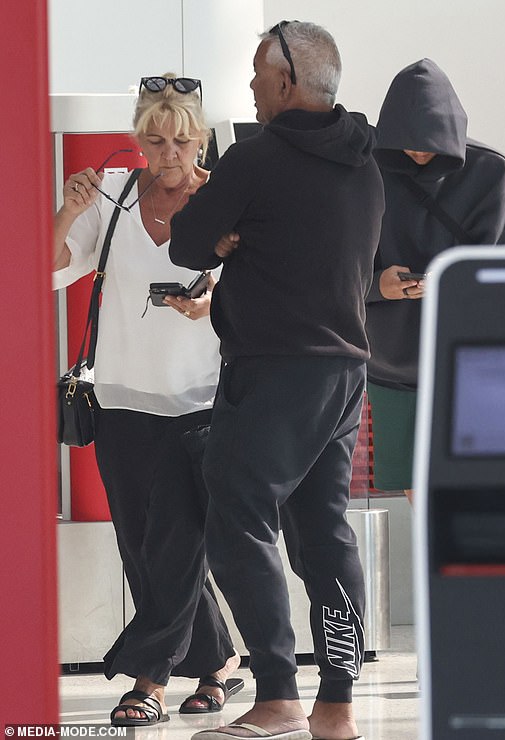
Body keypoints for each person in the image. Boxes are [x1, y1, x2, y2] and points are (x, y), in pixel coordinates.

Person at [169, 21, 384, 740]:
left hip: (271, 373)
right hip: (346, 375)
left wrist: (230, 236)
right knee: (324, 534)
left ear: (287, 82)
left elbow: (190, 241)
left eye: (259, 77)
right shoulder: (366, 161)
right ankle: (337, 703)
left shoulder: (255, 160)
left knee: (238, 521)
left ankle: (277, 693)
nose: (254, 89)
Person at [52, 74, 244, 726]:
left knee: (179, 544)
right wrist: (68, 212)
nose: (169, 153)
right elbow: (45, 269)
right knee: (142, 546)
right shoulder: (111, 197)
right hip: (122, 402)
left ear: (203, 139)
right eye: (155, 139)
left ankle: (148, 681)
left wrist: (211, 303)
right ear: (139, 139)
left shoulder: (228, 202)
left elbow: (257, 289)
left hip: (205, 403)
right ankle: (218, 664)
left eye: (183, 140)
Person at [366, 59, 505, 502]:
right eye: (405, 143)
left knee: (474, 491)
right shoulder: (367, 172)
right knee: (416, 491)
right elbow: (329, 266)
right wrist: (376, 285)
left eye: (428, 143)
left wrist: (460, 288)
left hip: (472, 363)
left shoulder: (492, 174)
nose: (418, 153)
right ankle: (434, 567)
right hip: (393, 363)